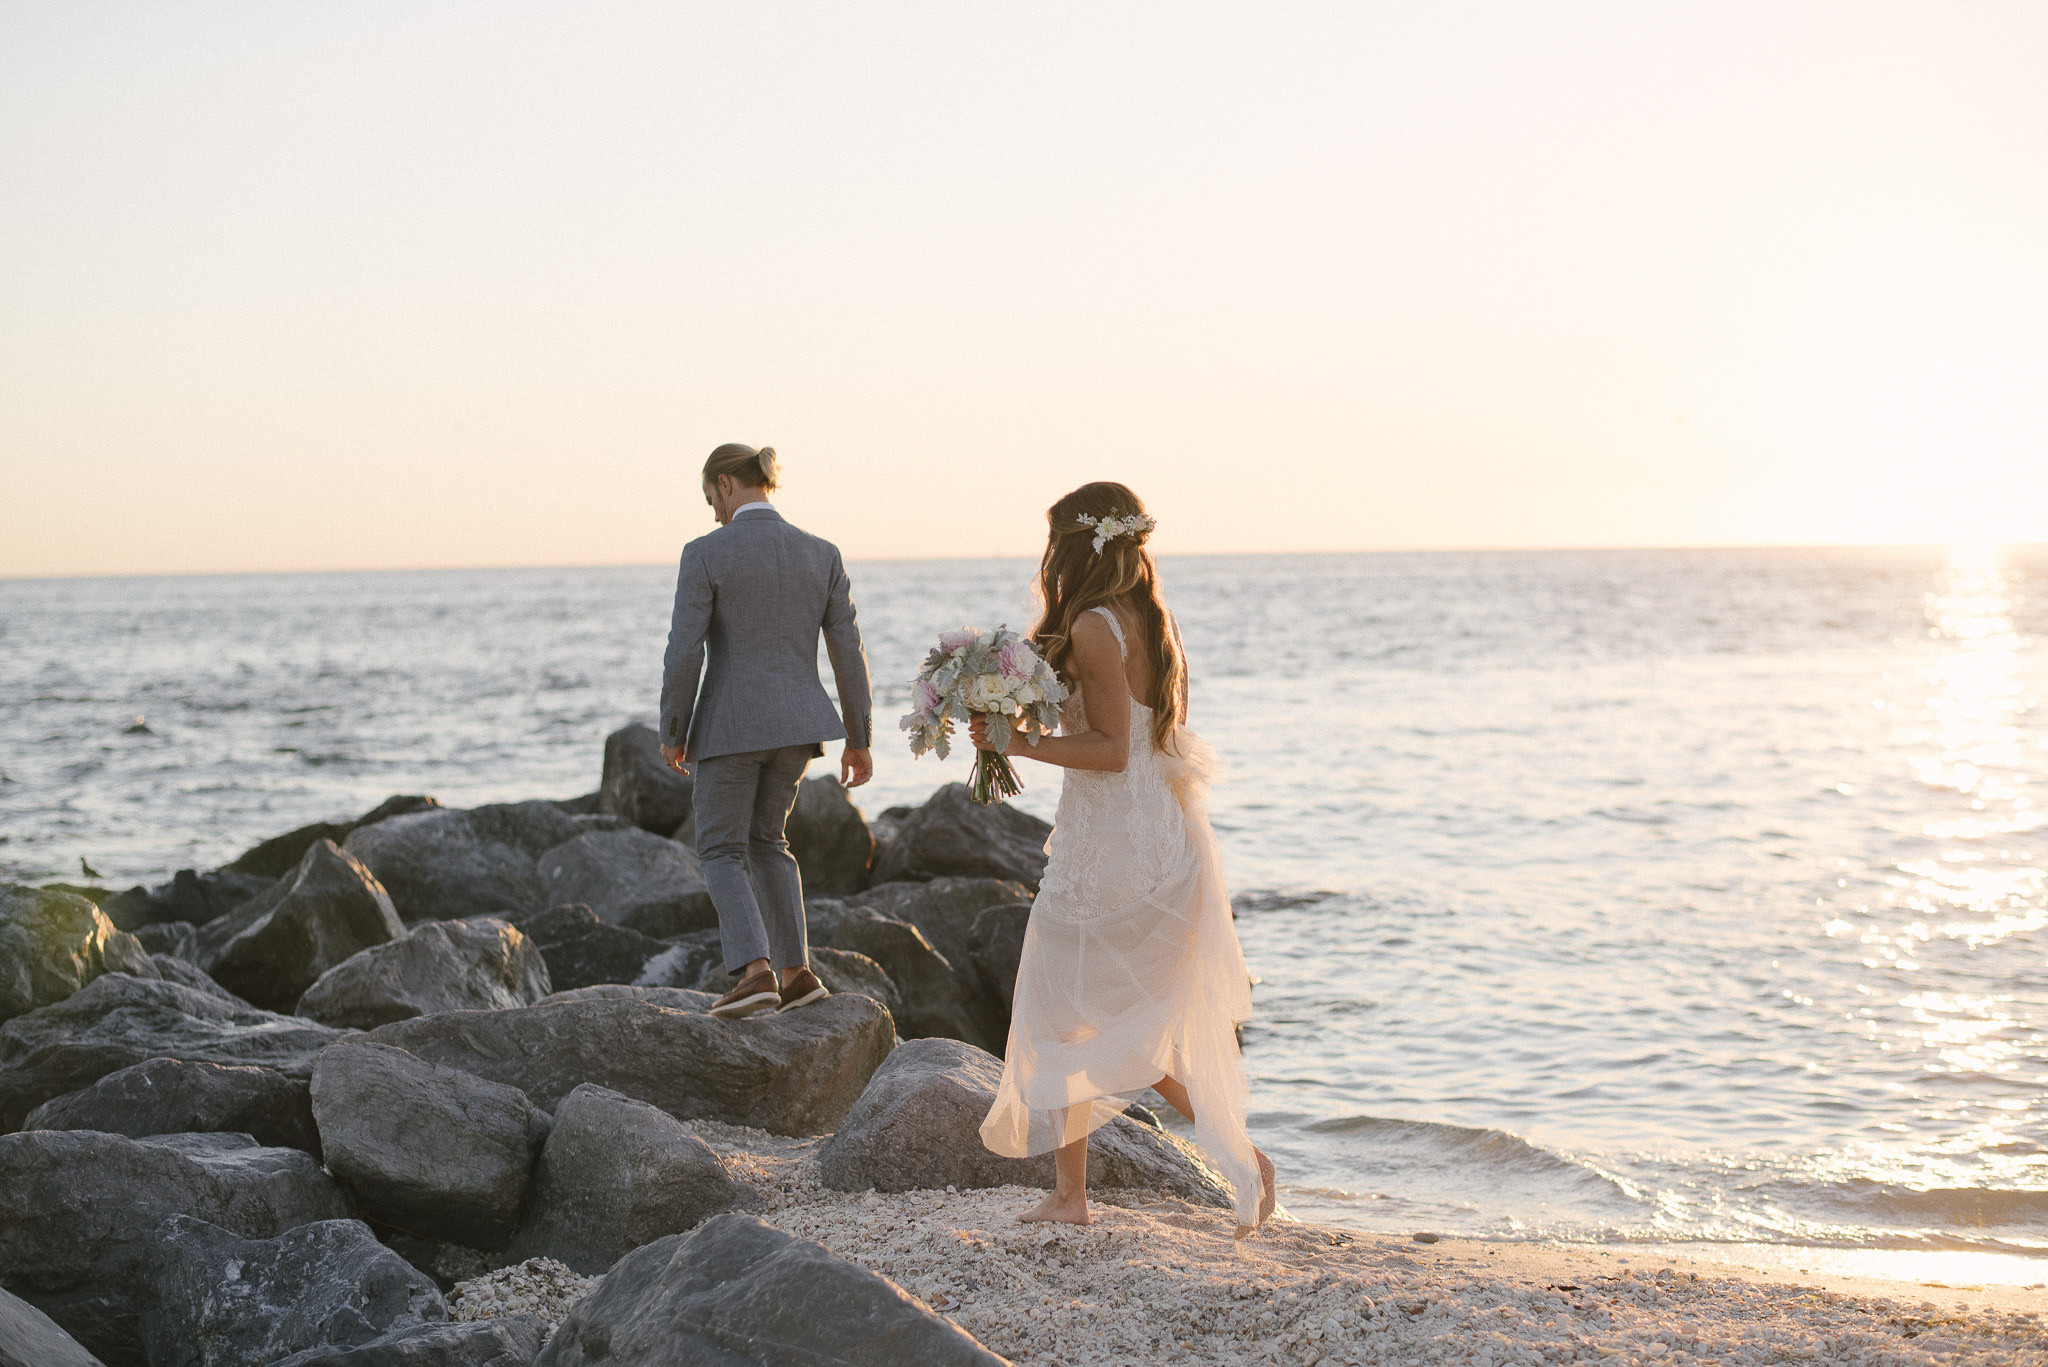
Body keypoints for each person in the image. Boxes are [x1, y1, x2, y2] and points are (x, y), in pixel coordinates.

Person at [970, 481, 1276, 1235]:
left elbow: (1109, 750)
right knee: (1086, 1017)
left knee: (1074, 1014)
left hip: (1111, 851)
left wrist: (1014, 742)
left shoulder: (1095, 628)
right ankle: (1076, 1194)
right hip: (1134, 836)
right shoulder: (1142, 616)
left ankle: (1238, 1156)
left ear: (1077, 544)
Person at [659, 443, 873, 1019]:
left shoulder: (705, 553)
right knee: (770, 842)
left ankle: (755, 974)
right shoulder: (821, 553)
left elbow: (685, 651)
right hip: (799, 727)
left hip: (730, 726)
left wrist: (674, 728)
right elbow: (848, 652)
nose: (713, 514)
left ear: (726, 484)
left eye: (711, 499)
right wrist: (860, 737)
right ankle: (797, 974)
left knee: (721, 848)